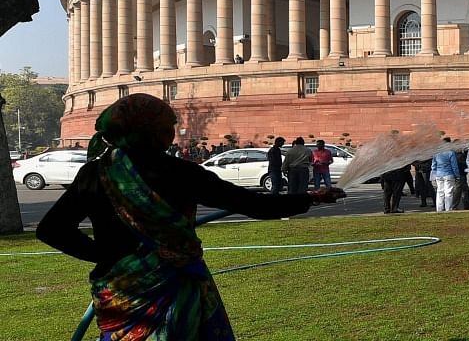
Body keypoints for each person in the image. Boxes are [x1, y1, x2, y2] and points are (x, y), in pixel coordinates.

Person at [36, 94, 343, 340]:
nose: (173, 131)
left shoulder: (96, 173)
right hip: (174, 285)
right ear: (152, 131)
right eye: (168, 124)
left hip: (121, 288)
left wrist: (106, 256)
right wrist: (312, 198)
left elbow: (52, 229)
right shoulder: (179, 173)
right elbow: (254, 205)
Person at [432, 140, 461, 212]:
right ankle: (448, 209)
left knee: (439, 192)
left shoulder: (436, 153)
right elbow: (454, 166)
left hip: (438, 175)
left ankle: (439, 209)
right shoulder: (450, 153)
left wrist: (433, 176)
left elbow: (433, 166)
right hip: (448, 174)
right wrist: (457, 176)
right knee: (448, 192)